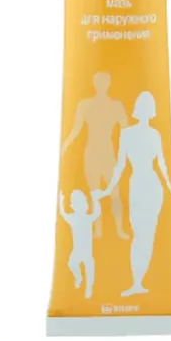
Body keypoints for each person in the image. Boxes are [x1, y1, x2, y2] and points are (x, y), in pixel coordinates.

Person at [102, 91, 171, 296]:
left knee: (147, 235)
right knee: (140, 234)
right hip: (140, 184)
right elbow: (120, 165)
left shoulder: (155, 134)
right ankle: (136, 282)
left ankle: (139, 282)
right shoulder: (127, 134)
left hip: (153, 186)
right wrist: (108, 188)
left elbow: (162, 164)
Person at [61, 72, 128, 238]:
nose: (102, 85)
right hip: (92, 152)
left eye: (104, 82)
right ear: (95, 84)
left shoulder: (116, 106)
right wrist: (66, 145)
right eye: (99, 82)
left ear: (108, 84)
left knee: (114, 192)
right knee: (94, 193)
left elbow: (126, 131)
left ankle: (119, 229)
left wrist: (131, 151)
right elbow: (76, 130)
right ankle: (98, 231)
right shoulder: (85, 105)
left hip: (107, 152)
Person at [58, 188, 104, 299]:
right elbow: (63, 214)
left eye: (84, 202)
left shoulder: (87, 218)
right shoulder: (73, 218)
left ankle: (89, 288)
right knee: (71, 264)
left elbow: (97, 213)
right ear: (73, 206)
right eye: (78, 203)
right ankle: (79, 277)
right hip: (77, 251)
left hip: (87, 252)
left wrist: (95, 200)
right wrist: (61, 201)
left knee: (90, 270)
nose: (83, 205)